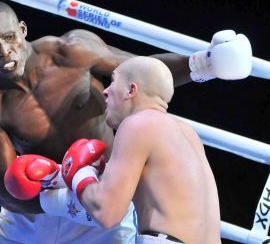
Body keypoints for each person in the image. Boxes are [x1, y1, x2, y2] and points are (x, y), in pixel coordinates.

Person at [0, 0, 250, 244]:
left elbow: (141, 74)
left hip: (103, 193)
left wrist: (205, 64)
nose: (4, 51)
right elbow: (5, 191)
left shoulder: (71, 52)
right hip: (41, 203)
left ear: (23, 30)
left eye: (9, 37)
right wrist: (63, 204)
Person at [64, 56, 221, 243]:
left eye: (113, 81)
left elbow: (107, 212)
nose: (105, 91)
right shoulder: (188, 134)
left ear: (131, 90)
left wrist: (79, 175)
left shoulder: (138, 124)